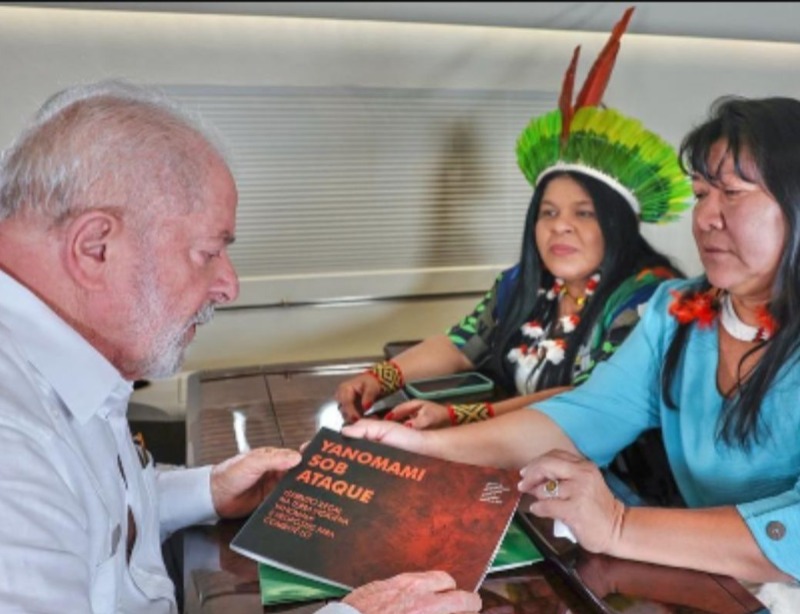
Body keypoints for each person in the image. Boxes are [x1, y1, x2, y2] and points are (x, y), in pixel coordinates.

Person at [0, 81, 480, 614]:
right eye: (208, 253)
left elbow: (92, 513)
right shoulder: (12, 448)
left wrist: (207, 490)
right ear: (95, 248)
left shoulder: (55, 370)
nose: (229, 286)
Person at [342, 95, 800, 585]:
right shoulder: (676, 311)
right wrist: (425, 447)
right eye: (701, 193)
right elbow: (587, 414)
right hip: (709, 571)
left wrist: (619, 526)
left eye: (731, 192)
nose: (706, 217)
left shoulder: (639, 294)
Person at [334, 7, 691, 433]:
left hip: (603, 462)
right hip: (516, 443)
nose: (560, 226)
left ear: (616, 226)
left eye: (583, 213)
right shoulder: (523, 283)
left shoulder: (647, 300)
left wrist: (463, 416)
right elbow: (461, 345)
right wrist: (379, 378)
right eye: (548, 212)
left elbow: (588, 397)